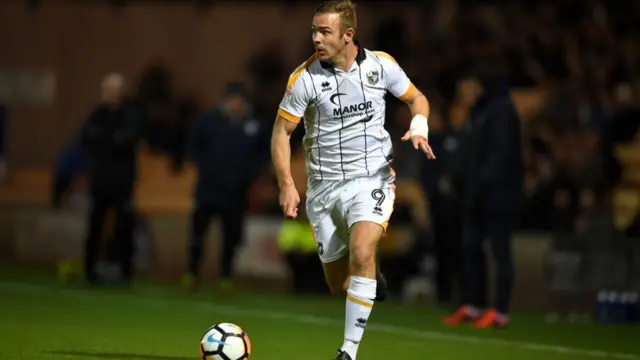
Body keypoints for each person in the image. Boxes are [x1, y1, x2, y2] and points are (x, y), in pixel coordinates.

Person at [270, 1, 435, 359]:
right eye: (314, 30)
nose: (316, 38)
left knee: (362, 251)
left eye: (324, 31)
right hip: (324, 188)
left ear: (348, 35)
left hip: (371, 177)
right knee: (337, 283)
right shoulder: (304, 79)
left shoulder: (381, 66)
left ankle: (348, 351)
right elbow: (281, 133)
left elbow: (417, 98)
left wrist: (419, 124)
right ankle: (370, 279)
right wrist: (286, 183)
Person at [443, 73, 524, 328]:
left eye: (466, 88)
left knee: (499, 251)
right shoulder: (479, 113)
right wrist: (456, 180)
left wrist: (481, 184)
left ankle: (500, 311)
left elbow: (500, 155)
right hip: (476, 196)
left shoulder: (500, 111)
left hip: (498, 196)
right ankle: (473, 305)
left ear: (478, 86)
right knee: (471, 249)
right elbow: (471, 153)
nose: (462, 96)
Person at [182, 82, 269, 294]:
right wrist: (205, 167)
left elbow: (263, 154)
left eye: (239, 100)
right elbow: (193, 148)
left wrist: (249, 174)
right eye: (232, 99)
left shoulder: (254, 124)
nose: (235, 103)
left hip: (236, 192)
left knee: (231, 238)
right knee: (197, 235)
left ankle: (225, 276)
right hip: (208, 189)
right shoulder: (209, 121)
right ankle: (192, 273)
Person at [81, 73, 142, 285]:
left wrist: (107, 140)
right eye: (106, 89)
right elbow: (87, 137)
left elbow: (126, 140)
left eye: (113, 89)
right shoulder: (97, 114)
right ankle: (89, 270)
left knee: (124, 227)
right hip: (100, 180)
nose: (109, 94)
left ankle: (125, 271)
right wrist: (111, 139)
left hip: (122, 182)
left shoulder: (130, 113)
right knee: (95, 226)